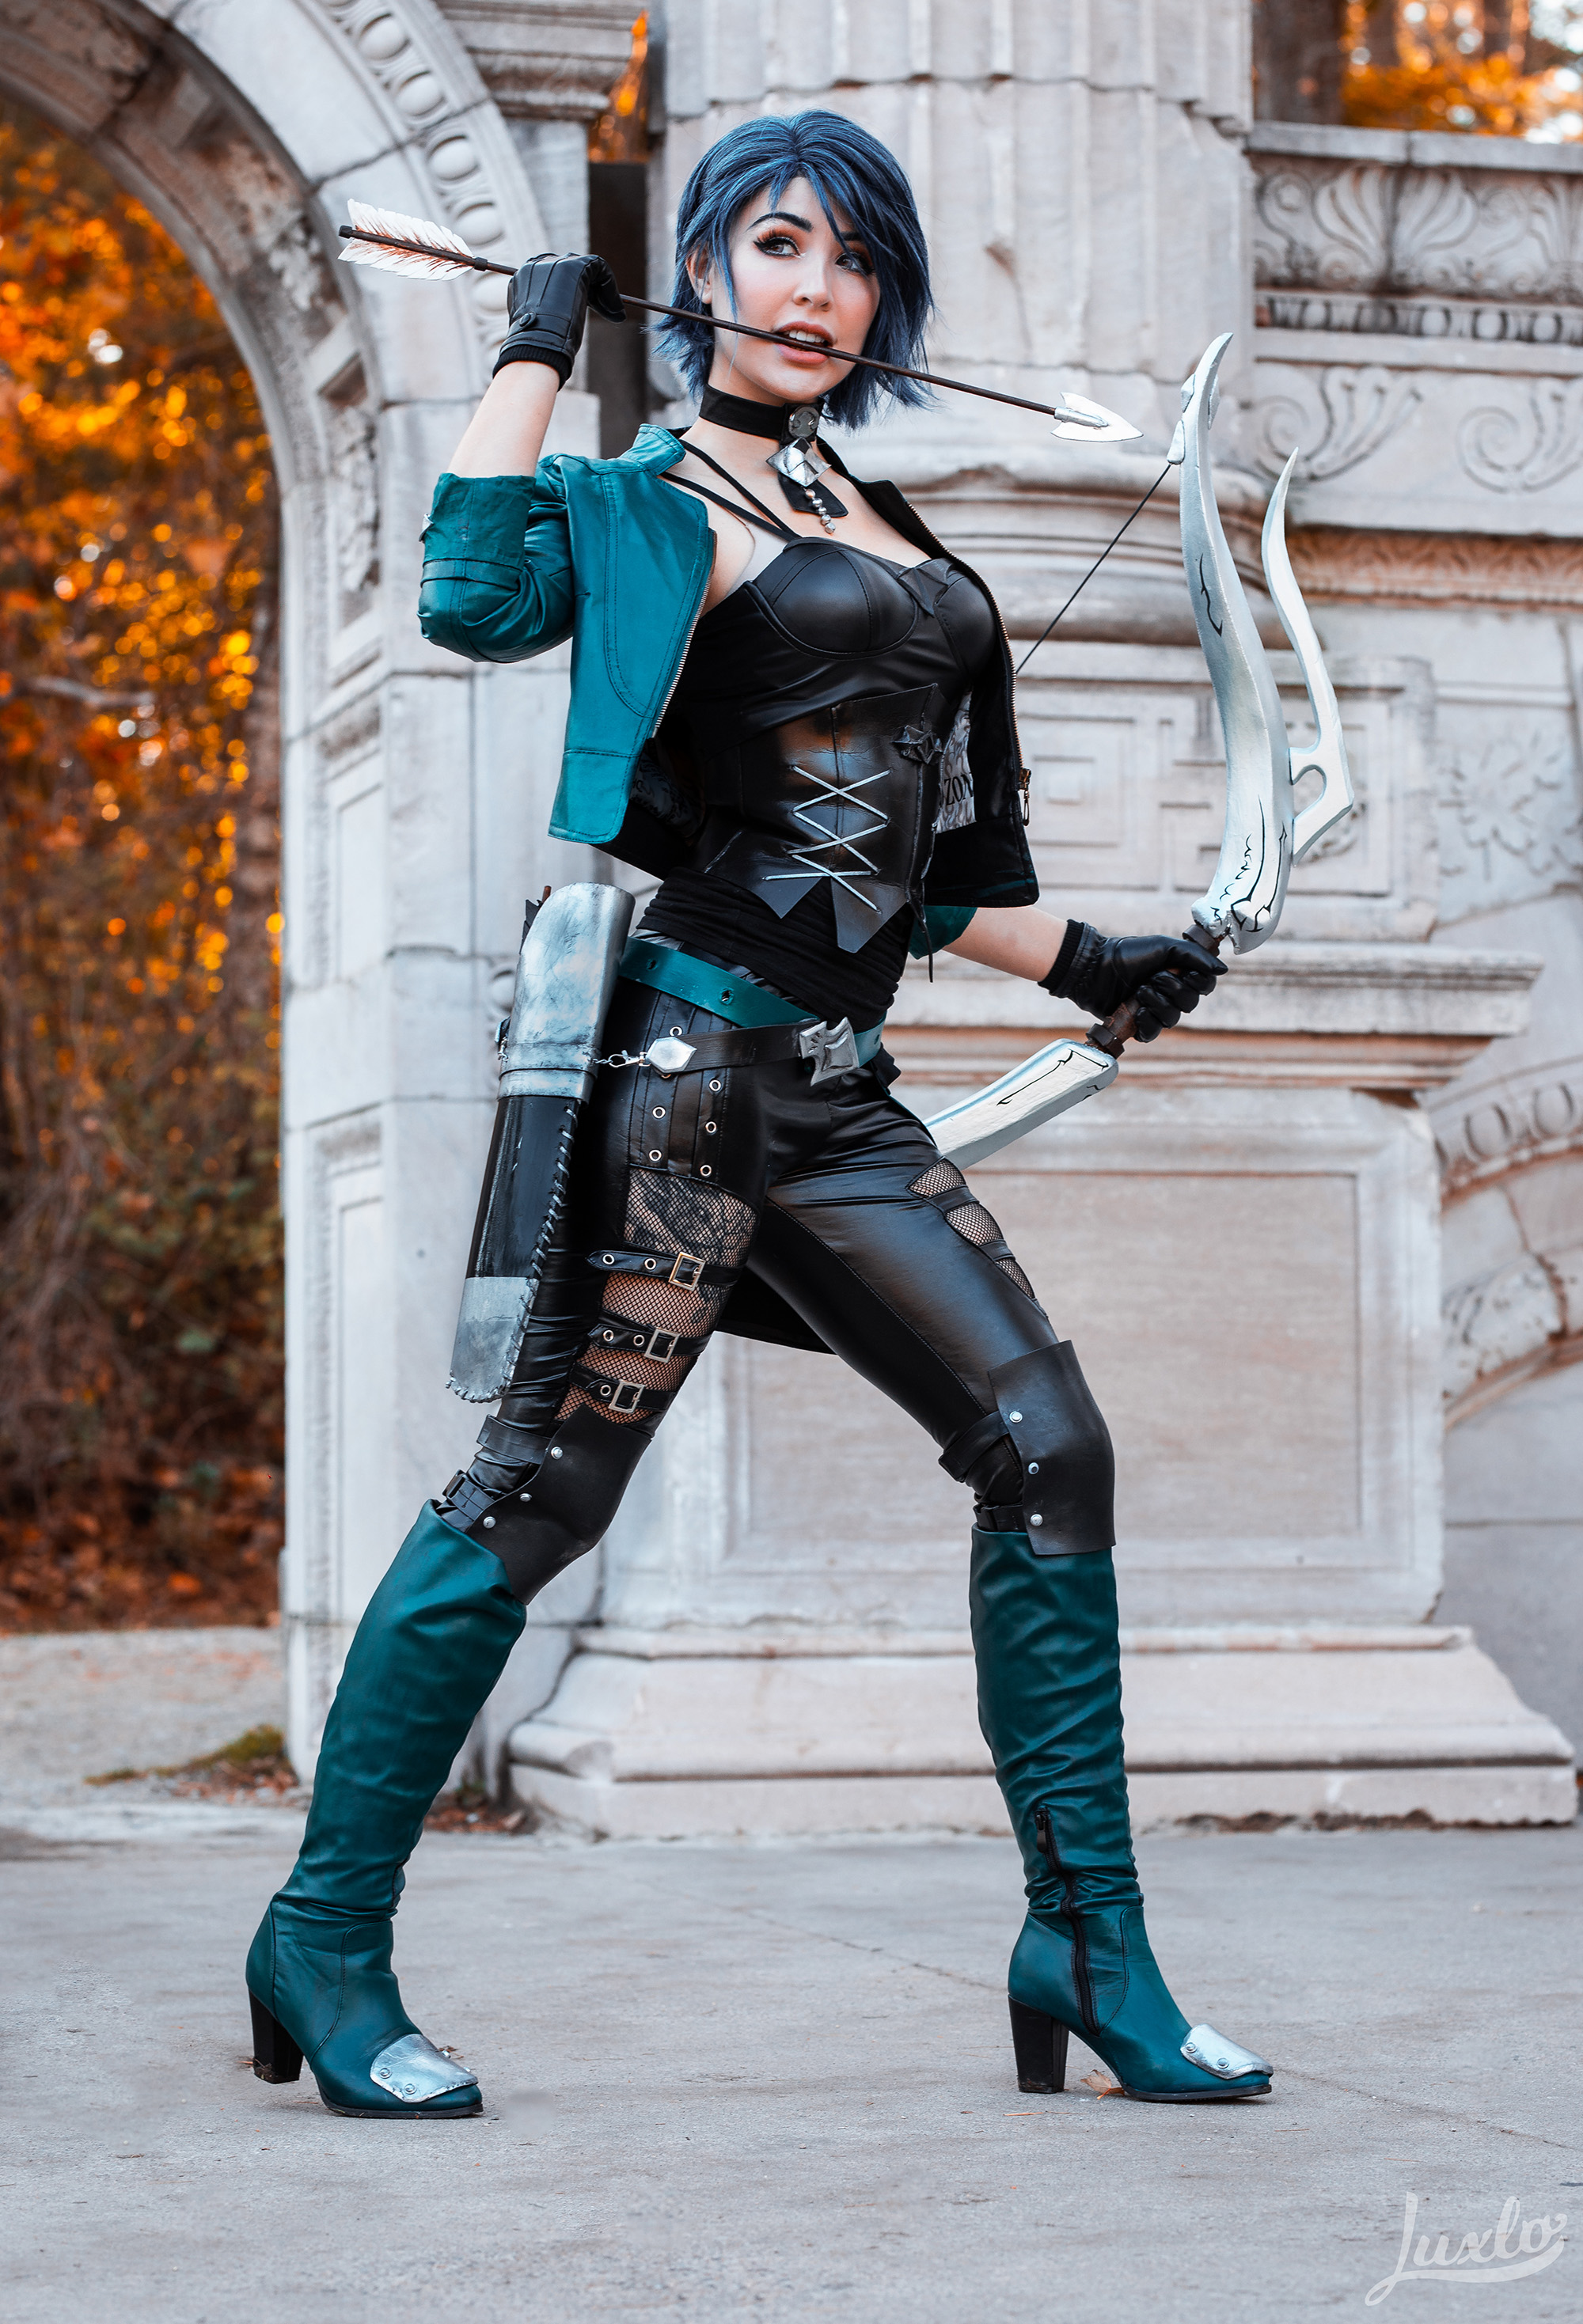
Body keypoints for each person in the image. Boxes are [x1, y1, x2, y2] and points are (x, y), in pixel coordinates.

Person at [245, 109, 1271, 2119]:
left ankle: (1088, 1944)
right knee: (537, 1493)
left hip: (837, 1096)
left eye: (855, 257)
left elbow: (920, 868)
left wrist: (1092, 960)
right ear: (703, 269)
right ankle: (325, 1935)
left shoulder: (883, 519)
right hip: (685, 1087)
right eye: (778, 244)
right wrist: (531, 351)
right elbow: (468, 594)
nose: (819, 287)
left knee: (1048, 1446)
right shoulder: (647, 499)